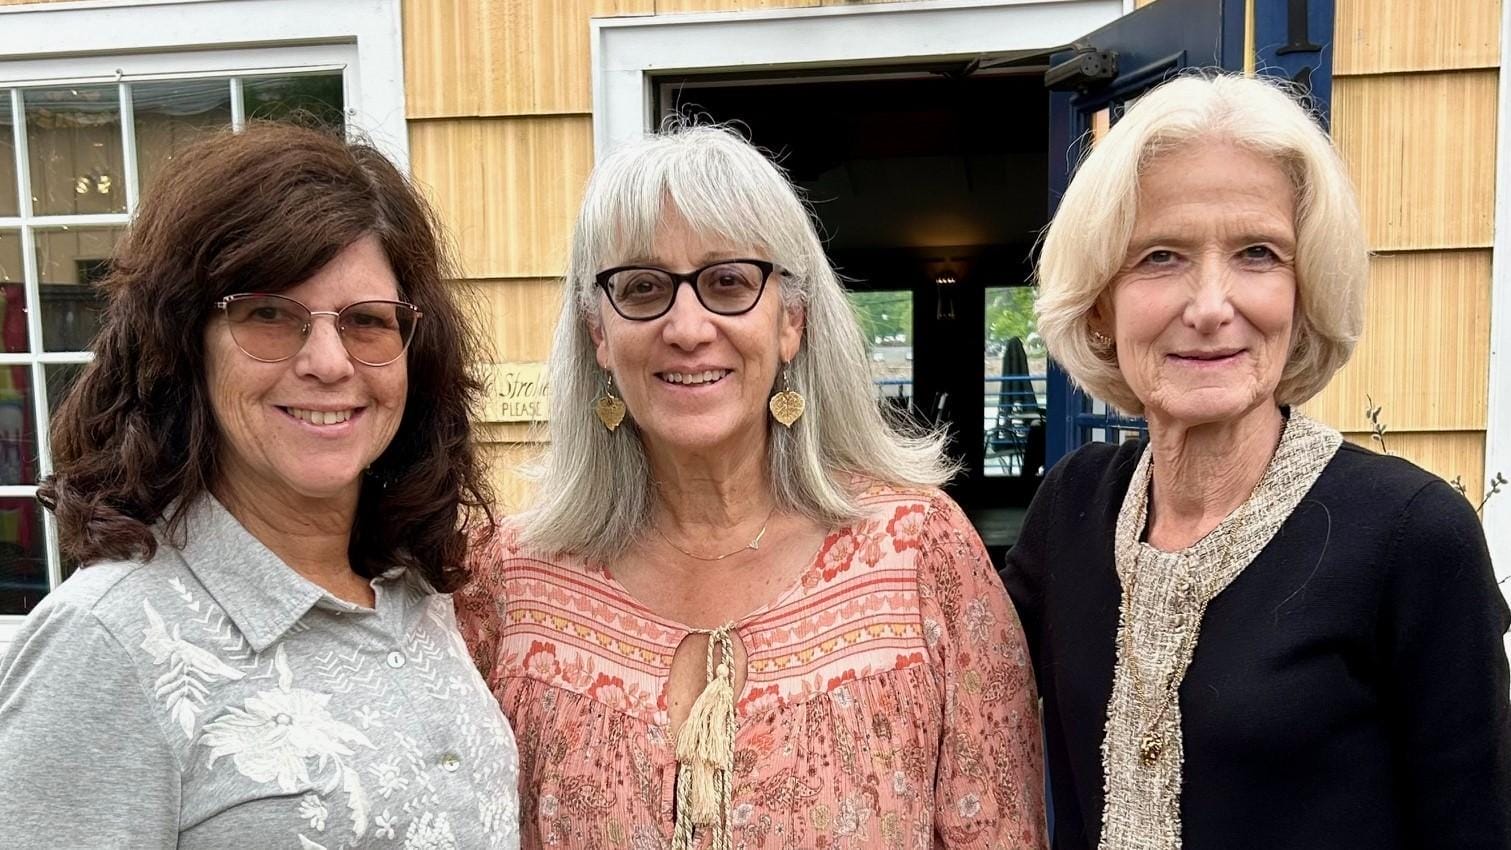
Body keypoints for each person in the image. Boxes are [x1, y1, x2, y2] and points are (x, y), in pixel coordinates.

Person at [456, 125, 1046, 848]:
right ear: (597, 335)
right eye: (641, 287)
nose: (687, 326)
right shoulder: (506, 580)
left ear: (790, 321)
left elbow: (998, 831)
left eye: (727, 282)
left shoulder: (919, 552)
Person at [1005, 72, 1511, 850]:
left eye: (1256, 253)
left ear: (1304, 292)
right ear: (1100, 304)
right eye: (1160, 256)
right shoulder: (1071, 509)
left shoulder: (1410, 535)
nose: (1209, 306)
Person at [0, 124, 520, 848]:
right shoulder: (107, 643)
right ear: (183, 346)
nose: (328, 361)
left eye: (367, 321)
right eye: (269, 315)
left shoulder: (414, 594)